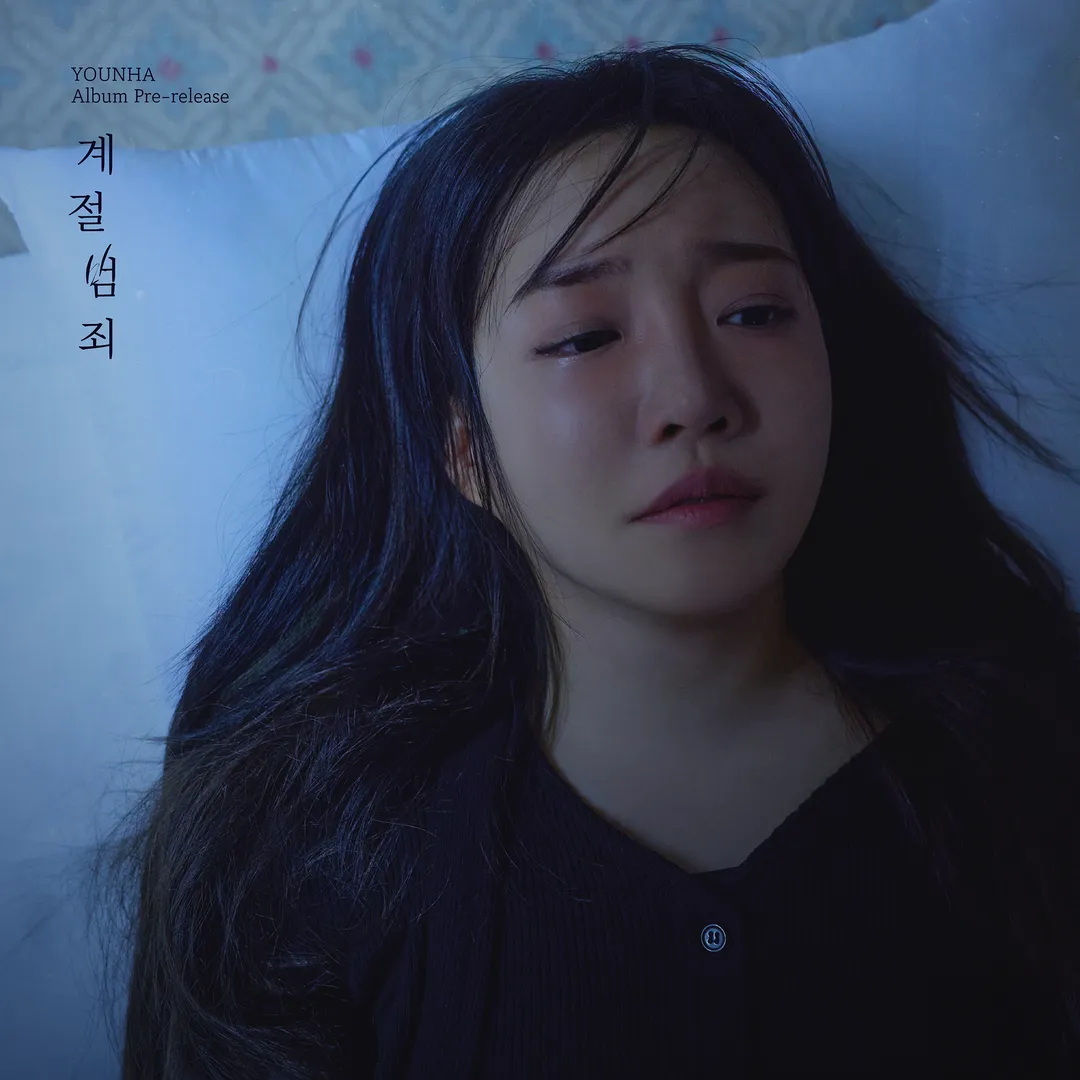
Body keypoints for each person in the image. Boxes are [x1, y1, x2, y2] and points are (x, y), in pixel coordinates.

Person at [84, 44, 1080, 1078]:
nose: (694, 398)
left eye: (754, 313)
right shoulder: (305, 855)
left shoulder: (1037, 752)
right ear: (461, 447)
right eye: (585, 337)